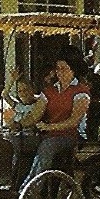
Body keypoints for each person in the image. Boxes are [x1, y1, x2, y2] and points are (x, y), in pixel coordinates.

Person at [22, 54, 91, 186]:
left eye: (64, 68)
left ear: (73, 70)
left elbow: (74, 121)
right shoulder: (49, 91)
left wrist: (49, 127)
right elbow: (34, 116)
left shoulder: (80, 91)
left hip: (71, 136)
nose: (60, 72)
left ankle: (29, 191)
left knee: (47, 147)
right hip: (47, 135)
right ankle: (6, 185)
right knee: (14, 142)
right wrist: (16, 124)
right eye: (58, 68)